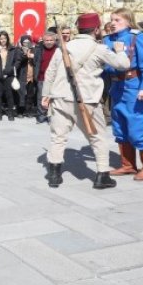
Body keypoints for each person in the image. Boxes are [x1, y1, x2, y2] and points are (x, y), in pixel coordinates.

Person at [41, 13, 130, 189]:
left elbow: (50, 73)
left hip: (60, 97)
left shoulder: (63, 48)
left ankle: (54, 175)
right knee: (98, 138)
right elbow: (123, 64)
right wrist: (120, 51)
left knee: (58, 137)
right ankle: (102, 176)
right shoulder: (100, 49)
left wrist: (46, 95)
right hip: (87, 99)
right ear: (96, 29)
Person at [103, 8, 143, 181]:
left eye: (118, 20)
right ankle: (128, 165)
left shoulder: (137, 37)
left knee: (137, 128)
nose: (113, 23)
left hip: (135, 89)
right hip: (117, 87)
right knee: (119, 128)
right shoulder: (107, 39)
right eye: (112, 20)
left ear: (129, 21)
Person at [0, 31, 21, 121]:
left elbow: (17, 61)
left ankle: (10, 113)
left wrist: (12, 69)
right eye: (1, 39)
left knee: (9, 95)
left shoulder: (12, 49)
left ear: (7, 39)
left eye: (4, 38)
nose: (3, 40)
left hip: (9, 75)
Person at [33, 32, 58, 124]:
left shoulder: (58, 50)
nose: (49, 42)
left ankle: (51, 116)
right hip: (42, 77)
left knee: (53, 98)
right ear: (43, 41)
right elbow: (36, 62)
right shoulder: (39, 49)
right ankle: (41, 116)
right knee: (41, 97)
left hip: (55, 78)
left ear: (55, 41)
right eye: (47, 40)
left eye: (51, 40)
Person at [16, 35, 35, 117]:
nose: (26, 44)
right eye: (24, 42)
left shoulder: (34, 50)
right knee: (21, 94)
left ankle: (28, 110)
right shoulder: (18, 51)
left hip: (32, 76)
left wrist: (33, 57)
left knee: (30, 95)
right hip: (22, 76)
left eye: (28, 42)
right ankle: (20, 111)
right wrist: (24, 54)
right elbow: (18, 61)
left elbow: (37, 60)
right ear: (21, 43)